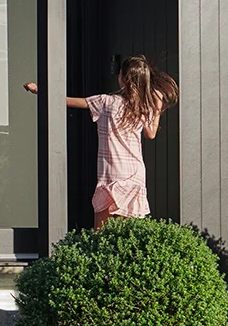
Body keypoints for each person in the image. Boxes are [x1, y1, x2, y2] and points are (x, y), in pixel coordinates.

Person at [24, 55, 179, 229]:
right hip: (135, 175)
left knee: (101, 233)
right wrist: (157, 107)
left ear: (122, 77)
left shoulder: (106, 102)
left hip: (111, 173)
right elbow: (150, 134)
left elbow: (67, 101)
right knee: (128, 234)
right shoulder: (141, 108)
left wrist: (39, 90)